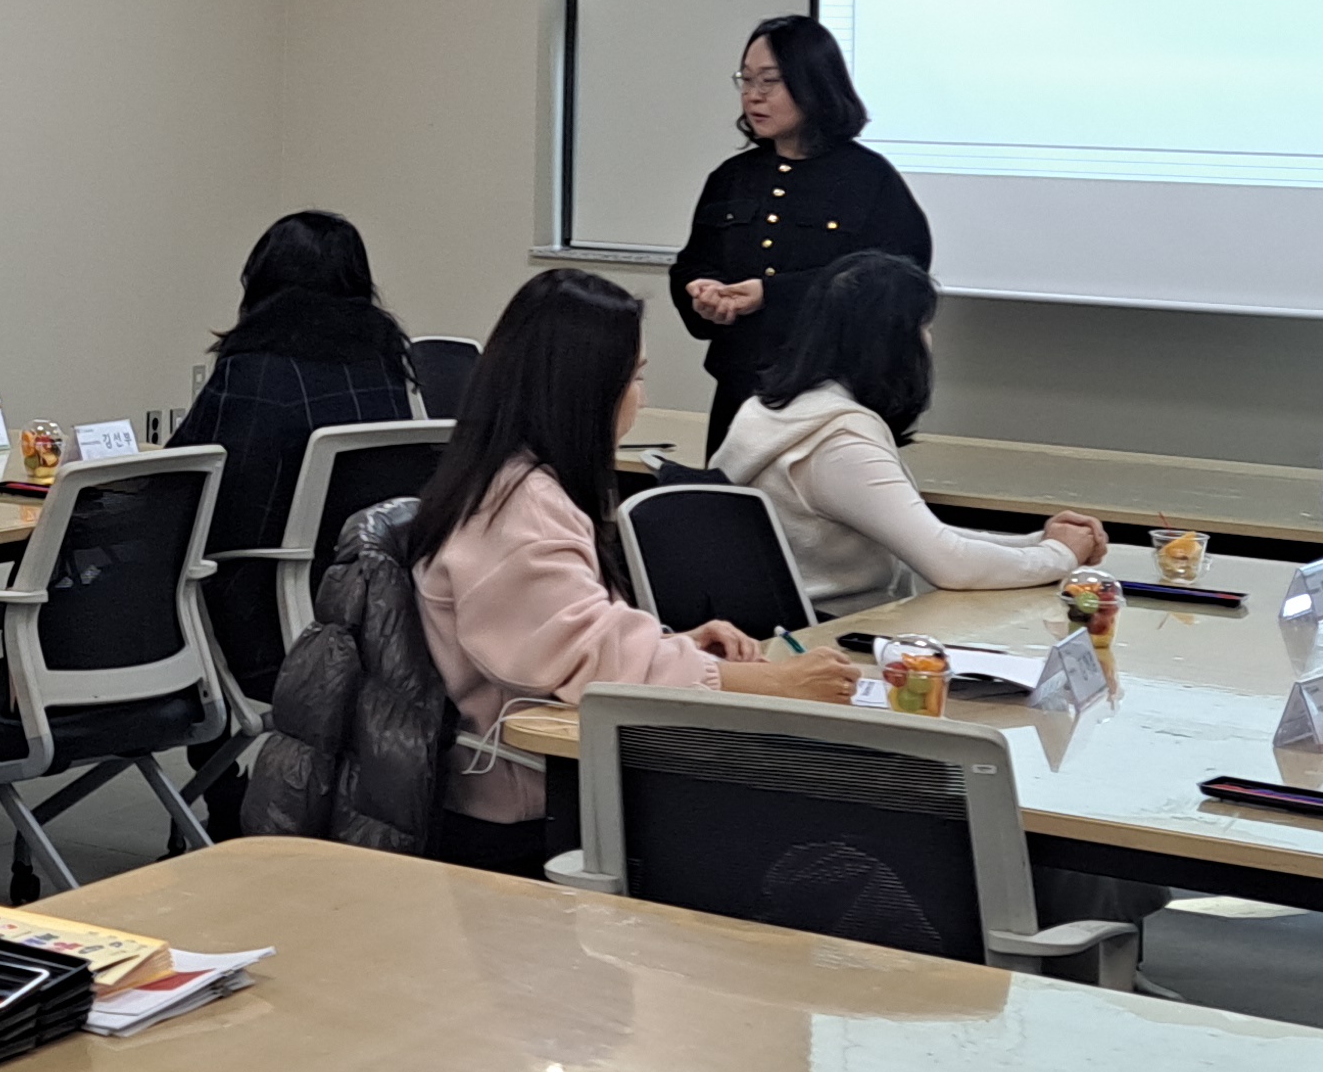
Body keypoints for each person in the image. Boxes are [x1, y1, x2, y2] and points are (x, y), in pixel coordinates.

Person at [407, 266, 859, 876]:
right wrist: (776, 684)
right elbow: (590, 660)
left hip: (552, 780)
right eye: (636, 377)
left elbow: (574, 635)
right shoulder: (518, 506)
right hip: (527, 809)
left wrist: (678, 647)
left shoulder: (515, 480)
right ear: (587, 388)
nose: (640, 397)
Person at [713, 252, 1102, 614]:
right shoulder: (839, 442)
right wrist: (1060, 556)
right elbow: (950, 564)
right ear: (893, 343)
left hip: (799, 626)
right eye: (925, 327)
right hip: (838, 633)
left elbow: (922, 537)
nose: (929, 341)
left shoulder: (775, 409)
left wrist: (1040, 542)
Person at [167, 210, 422, 697]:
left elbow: (187, 479)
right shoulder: (385, 363)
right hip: (371, 611)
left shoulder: (254, 367)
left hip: (263, 619)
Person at [670, 13, 930, 450]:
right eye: (746, 80)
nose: (753, 95)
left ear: (814, 83)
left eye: (770, 81)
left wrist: (772, 295)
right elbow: (692, 263)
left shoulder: (869, 180)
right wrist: (703, 292)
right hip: (741, 393)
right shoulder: (732, 177)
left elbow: (896, 286)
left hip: (833, 400)